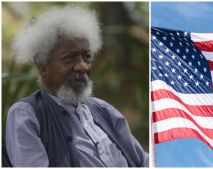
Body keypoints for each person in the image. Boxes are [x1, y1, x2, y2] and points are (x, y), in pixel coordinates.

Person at [5, 6, 149, 167]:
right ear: (42, 66)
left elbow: (144, 162)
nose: (83, 66)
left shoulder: (104, 110)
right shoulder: (27, 114)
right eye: (69, 58)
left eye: (86, 57)